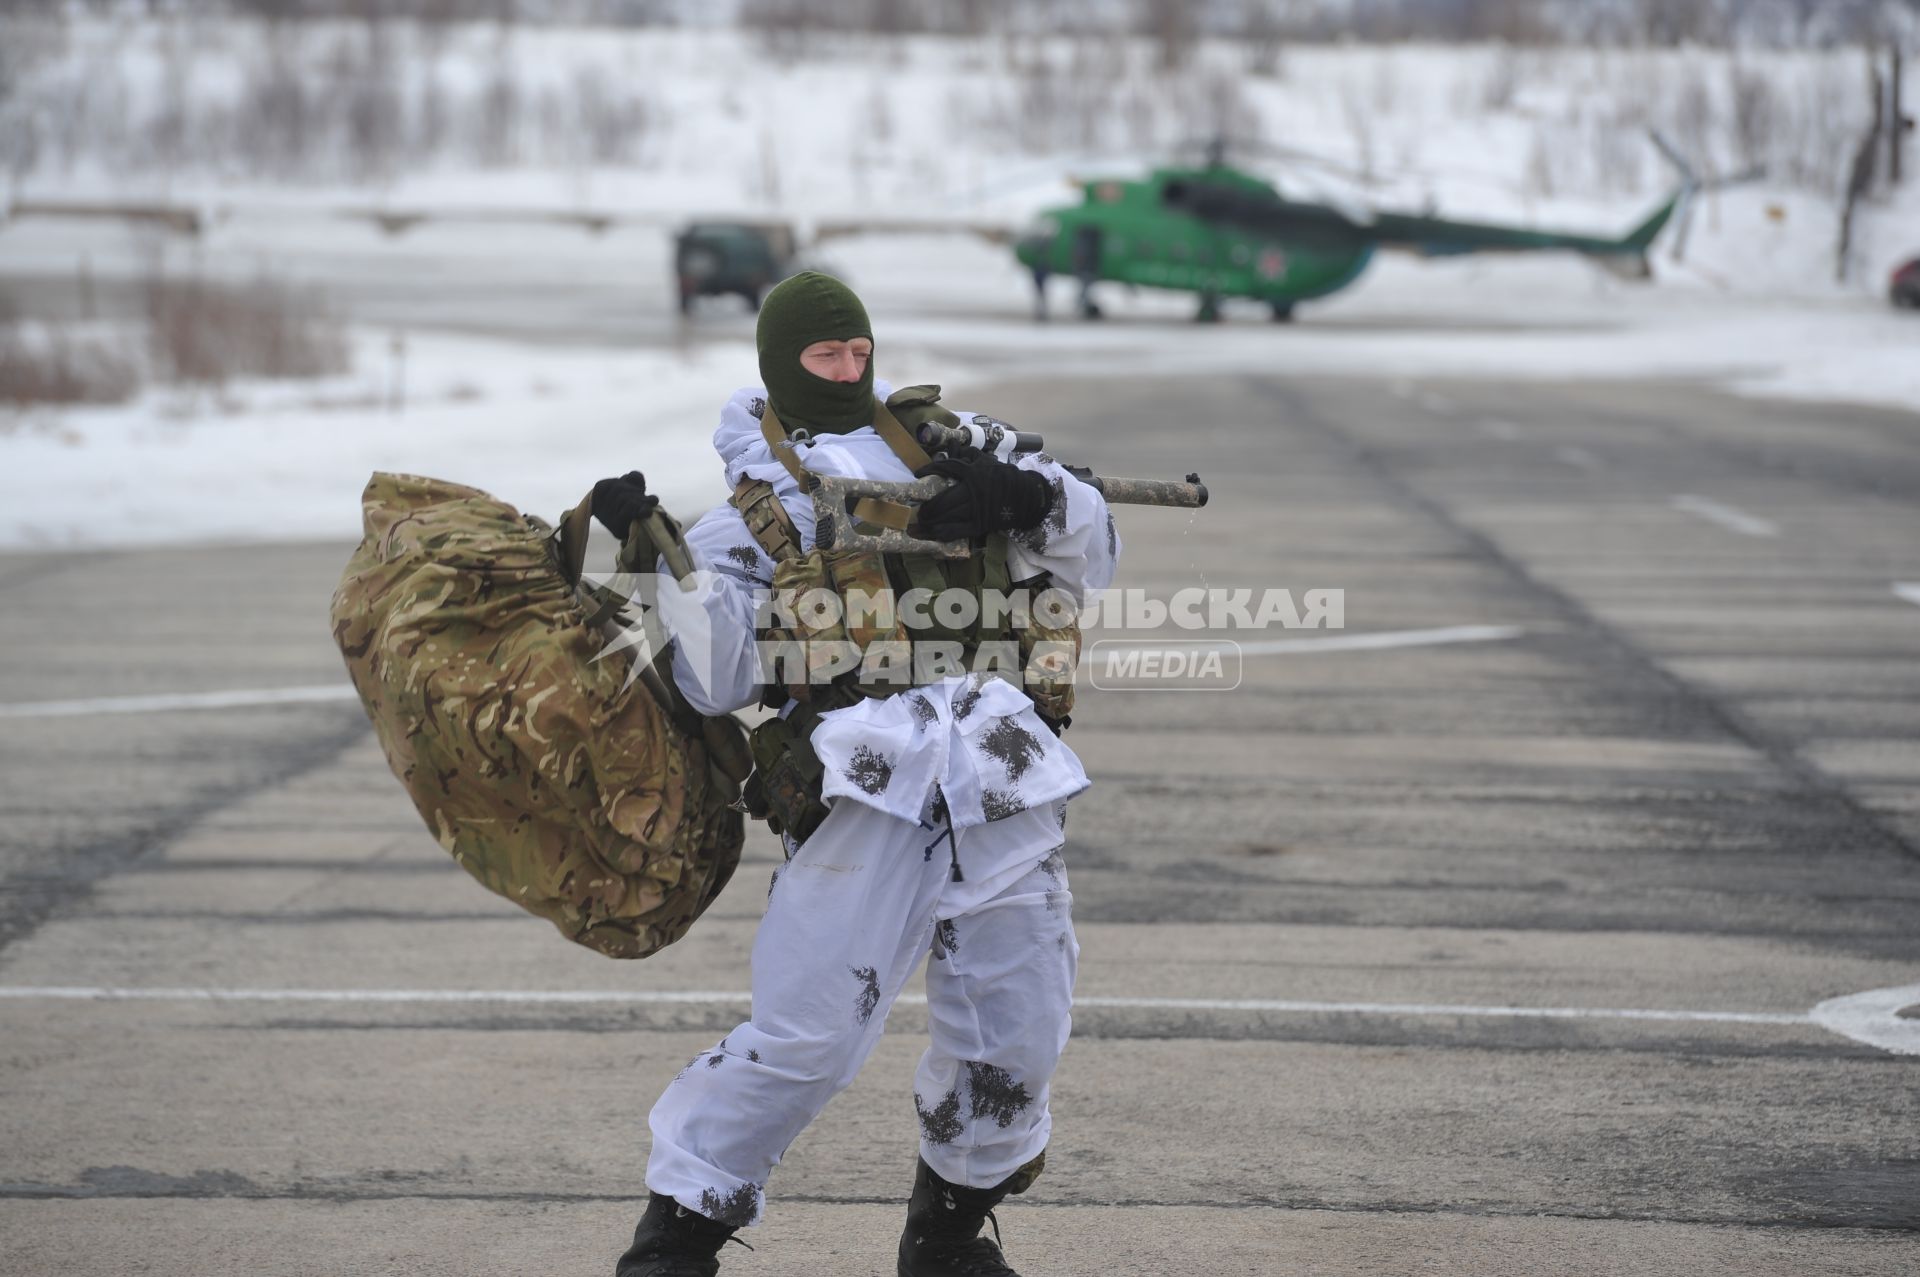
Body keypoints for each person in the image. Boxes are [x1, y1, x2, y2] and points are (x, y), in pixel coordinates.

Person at [593, 272, 1118, 1277]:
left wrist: (1029, 492)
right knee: (809, 1032)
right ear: (778, 365)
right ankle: (678, 1231)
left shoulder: (960, 446)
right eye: (823, 357)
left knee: (1021, 1023)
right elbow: (716, 681)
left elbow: (1094, 547)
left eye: (858, 353)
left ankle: (949, 1232)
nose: (846, 370)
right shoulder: (749, 511)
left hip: (1003, 775)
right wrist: (658, 567)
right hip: (864, 785)